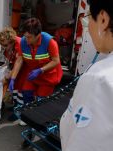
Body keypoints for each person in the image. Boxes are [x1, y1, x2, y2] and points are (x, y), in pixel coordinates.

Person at [60, 0, 113, 150]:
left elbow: (80, 144)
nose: (88, 27)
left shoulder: (99, 79)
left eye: (88, 18)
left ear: (103, 19)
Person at [10, 18, 63, 104]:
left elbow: (56, 61)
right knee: (26, 93)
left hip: (47, 77)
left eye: (29, 37)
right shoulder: (23, 41)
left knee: (41, 101)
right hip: (33, 75)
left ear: (38, 35)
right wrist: (13, 78)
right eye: (25, 36)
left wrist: (41, 70)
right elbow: (19, 60)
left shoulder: (50, 42)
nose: (26, 40)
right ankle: (26, 114)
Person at [0, 27, 26, 120]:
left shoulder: (19, 44)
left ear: (11, 41)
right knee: (15, 90)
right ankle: (15, 106)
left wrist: (7, 77)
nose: (3, 47)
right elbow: (9, 59)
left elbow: (18, 63)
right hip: (16, 67)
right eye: (2, 45)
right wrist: (4, 66)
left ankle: (19, 112)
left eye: (5, 45)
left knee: (20, 90)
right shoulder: (8, 46)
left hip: (24, 69)